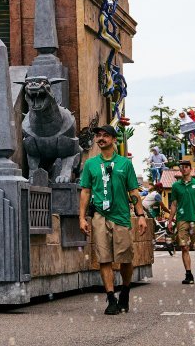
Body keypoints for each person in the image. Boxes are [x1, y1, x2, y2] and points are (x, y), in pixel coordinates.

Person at [78, 125, 142, 316]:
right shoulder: (90, 164)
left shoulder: (125, 164)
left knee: (125, 259)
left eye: (106, 135)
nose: (101, 138)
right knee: (104, 258)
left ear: (114, 140)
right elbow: (86, 191)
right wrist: (82, 217)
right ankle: (111, 298)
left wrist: (140, 216)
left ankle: (125, 291)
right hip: (99, 216)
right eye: (98, 135)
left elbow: (133, 191)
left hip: (121, 217)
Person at [169, 160, 195, 285]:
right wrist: (170, 221)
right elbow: (174, 204)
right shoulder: (176, 186)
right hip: (182, 219)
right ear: (180, 170)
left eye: (186, 167)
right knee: (184, 247)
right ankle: (188, 274)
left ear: (191, 169)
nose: (184, 169)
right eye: (182, 167)